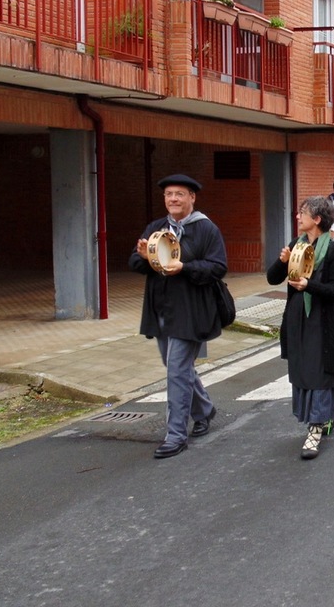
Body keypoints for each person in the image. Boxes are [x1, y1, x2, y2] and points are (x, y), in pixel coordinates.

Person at [129, 174, 225, 459]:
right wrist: (144, 257)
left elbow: (218, 267)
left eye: (179, 194)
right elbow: (134, 262)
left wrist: (185, 267)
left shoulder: (206, 229)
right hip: (161, 309)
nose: (173, 199)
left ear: (192, 198)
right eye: (169, 194)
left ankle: (175, 436)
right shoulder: (156, 228)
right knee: (176, 368)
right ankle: (204, 410)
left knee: (176, 371)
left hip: (191, 311)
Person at [267, 196, 334, 459]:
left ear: (316, 219)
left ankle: (316, 428)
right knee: (304, 370)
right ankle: (327, 413)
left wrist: (309, 285)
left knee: (321, 372)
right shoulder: (297, 244)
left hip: (324, 320)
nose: (297, 216)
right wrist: (282, 261)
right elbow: (272, 278)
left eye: (302, 213)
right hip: (299, 319)